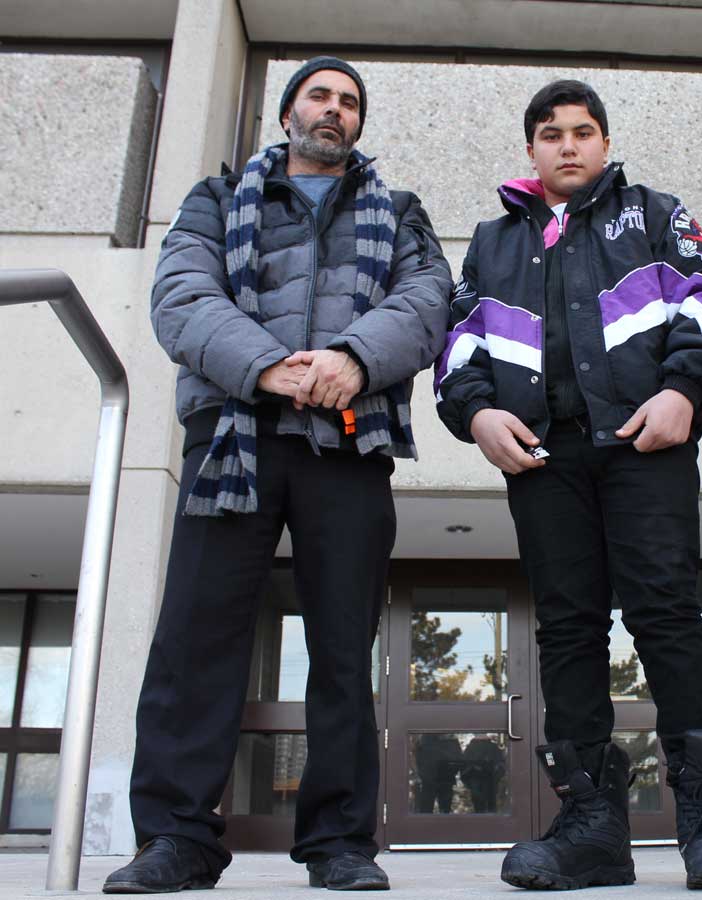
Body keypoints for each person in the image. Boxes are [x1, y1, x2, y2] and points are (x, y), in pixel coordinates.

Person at [103, 56, 452, 893]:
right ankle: (178, 836)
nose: (334, 110)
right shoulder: (214, 201)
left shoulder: (399, 211)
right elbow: (183, 295)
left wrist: (354, 358)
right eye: (320, 95)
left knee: (342, 646)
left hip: (347, 438)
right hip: (234, 433)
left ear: (359, 125)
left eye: (349, 103)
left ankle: (338, 843)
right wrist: (267, 367)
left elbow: (429, 299)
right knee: (197, 638)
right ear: (289, 110)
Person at [434, 79, 702, 891]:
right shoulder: (492, 241)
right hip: (544, 459)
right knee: (569, 630)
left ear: (605, 144)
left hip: (645, 444)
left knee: (667, 614)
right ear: (531, 150)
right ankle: (591, 827)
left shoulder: (653, 213)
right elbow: (458, 347)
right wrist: (476, 418)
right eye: (551, 134)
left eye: (582, 132)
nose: (568, 145)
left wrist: (686, 390)